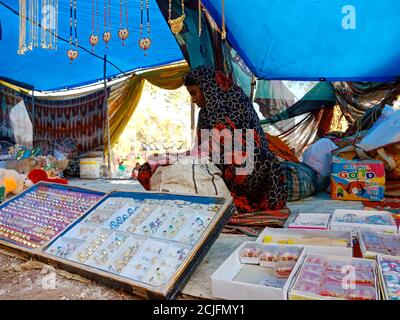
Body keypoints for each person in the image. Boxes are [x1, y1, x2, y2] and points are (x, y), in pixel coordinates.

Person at [139, 66, 288, 213]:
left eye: (194, 93)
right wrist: (176, 158)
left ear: (207, 88)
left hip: (248, 167)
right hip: (217, 164)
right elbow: (202, 150)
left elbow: (245, 142)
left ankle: (236, 198)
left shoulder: (236, 101)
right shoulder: (204, 114)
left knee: (253, 159)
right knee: (167, 166)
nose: (193, 99)